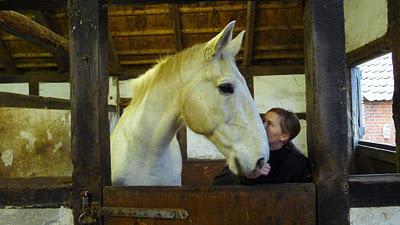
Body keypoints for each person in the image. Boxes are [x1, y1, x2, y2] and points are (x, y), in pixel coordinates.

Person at [213, 107, 311, 185]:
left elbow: (303, 196)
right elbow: (218, 183)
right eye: (263, 121)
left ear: (284, 136)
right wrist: (248, 176)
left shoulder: (298, 163)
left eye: (270, 124)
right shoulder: (246, 153)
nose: (262, 126)